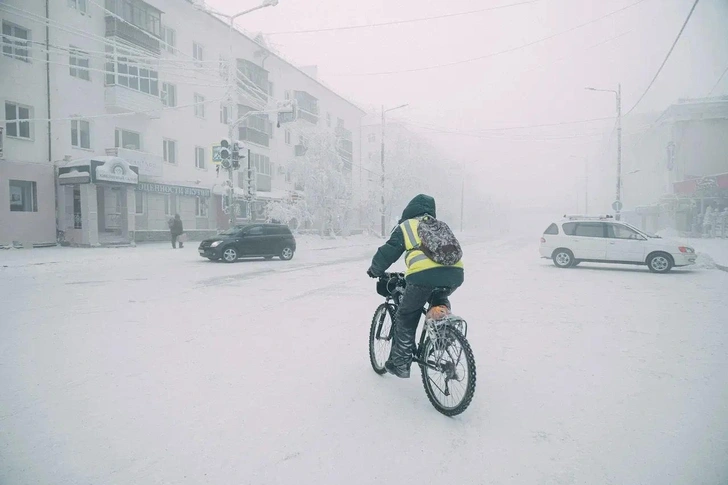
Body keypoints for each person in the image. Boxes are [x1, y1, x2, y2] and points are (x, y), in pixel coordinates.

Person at [366, 194, 464, 378]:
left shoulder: (407, 226)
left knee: (406, 314)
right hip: (455, 274)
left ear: (409, 210)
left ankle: (400, 363)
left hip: (423, 277)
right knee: (438, 297)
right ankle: (444, 330)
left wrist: (375, 269)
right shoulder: (440, 226)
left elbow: (389, 251)